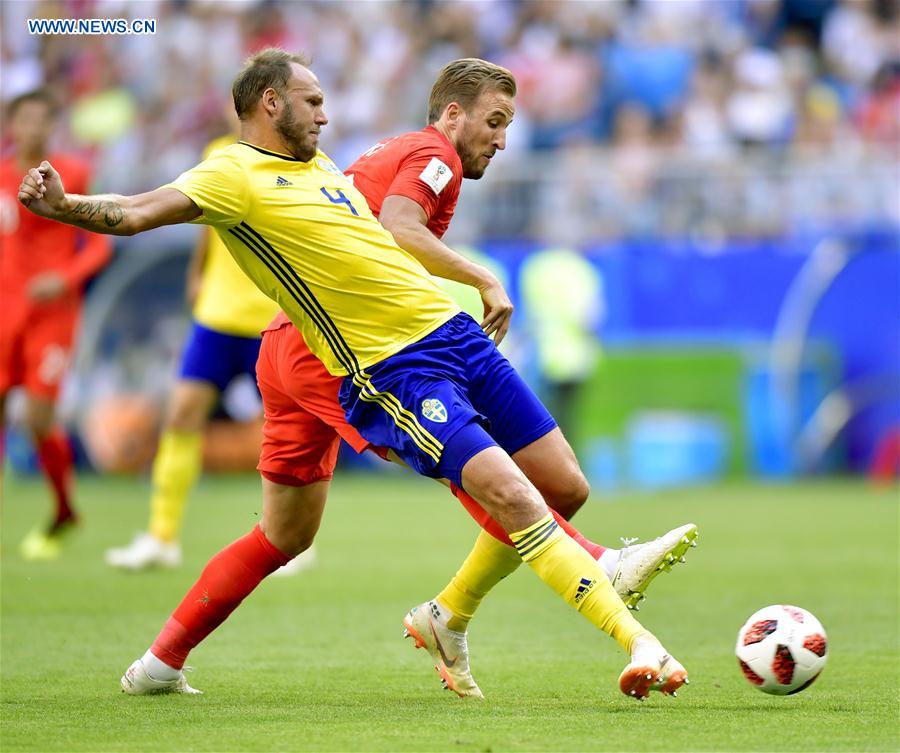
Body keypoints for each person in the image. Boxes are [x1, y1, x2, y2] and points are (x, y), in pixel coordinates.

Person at [18, 49, 691, 702]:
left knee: (300, 531)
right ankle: (626, 623)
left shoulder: (327, 169)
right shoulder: (232, 171)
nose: (326, 115)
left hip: (445, 336)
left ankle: (167, 661)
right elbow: (135, 212)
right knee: (506, 491)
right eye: (313, 101)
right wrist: (65, 205)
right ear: (270, 102)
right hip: (377, 363)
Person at [260, 58, 696, 698]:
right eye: (495, 121)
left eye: (509, 124)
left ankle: (448, 614)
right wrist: (484, 277)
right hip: (368, 349)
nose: (502, 138)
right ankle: (606, 569)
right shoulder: (434, 155)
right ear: (453, 114)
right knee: (506, 490)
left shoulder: (405, 154)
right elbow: (396, 228)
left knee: (562, 485)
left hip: (407, 336)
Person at [103, 126, 291, 571]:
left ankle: (291, 540)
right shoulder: (219, 152)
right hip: (217, 317)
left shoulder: (294, 162)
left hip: (272, 318)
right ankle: (161, 536)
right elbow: (207, 219)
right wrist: (196, 272)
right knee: (182, 414)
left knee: (287, 431)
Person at [1, 88, 113, 560]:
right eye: (24, 120)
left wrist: (63, 279)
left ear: (53, 125)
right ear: (13, 124)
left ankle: (65, 510)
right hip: (6, 310)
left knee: (37, 419)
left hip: (53, 314)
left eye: (42, 120)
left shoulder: (74, 174)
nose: (33, 129)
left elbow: (101, 245)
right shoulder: (3, 175)